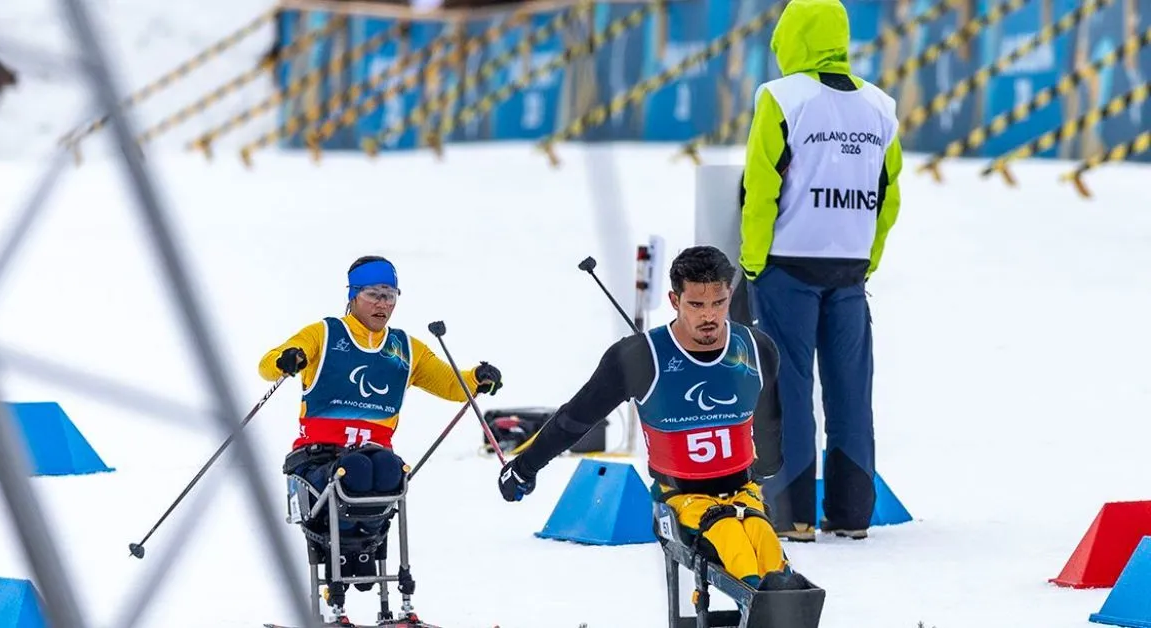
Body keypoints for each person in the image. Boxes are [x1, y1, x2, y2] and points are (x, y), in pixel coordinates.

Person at [496, 246, 803, 591]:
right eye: (696, 305)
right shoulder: (640, 357)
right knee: (736, 548)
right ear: (674, 300)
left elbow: (770, 423)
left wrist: (766, 467)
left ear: (729, 295)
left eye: (718, 303)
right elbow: (576, 418)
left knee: (769, 553)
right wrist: (524, 468)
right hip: (681, 499)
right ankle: (766, 603)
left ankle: (782, 602)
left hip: (743, 493)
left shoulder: (756, 350)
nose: (709, 316)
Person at [739, 0, 903, 542]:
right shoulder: (880, 105)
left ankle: (794, 516)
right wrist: (868, 258)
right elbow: (888, 195)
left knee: (787, 390)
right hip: (850, 269)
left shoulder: (780, 97)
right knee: (851, 393)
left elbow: (761, 186)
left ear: (790, 37)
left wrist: (752, 260)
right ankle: (852, 514)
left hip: (787, 265)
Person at [259, 255, 502, 618]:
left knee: (390, 469)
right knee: (356, 470)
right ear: (353, 295)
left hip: (374, 458)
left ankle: (368, 561)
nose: (382, 304)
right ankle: (340, 574)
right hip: (318, 459)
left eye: (390, 295)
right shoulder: (325, 335)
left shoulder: (405, 348)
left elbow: (452, 385)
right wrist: (286, 359)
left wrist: (477, 377)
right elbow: (267, 364)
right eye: (373, 294)